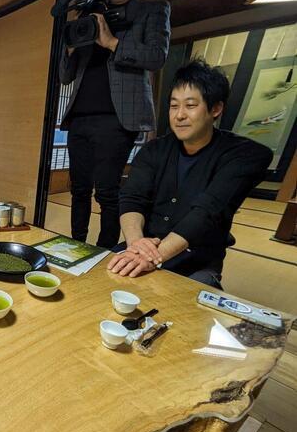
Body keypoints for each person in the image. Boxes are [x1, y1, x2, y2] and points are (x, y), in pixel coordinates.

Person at [107, 59, 272, 286]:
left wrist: (153, 257)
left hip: (197, 259)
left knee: (184, 312)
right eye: (174, 106)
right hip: (142, 247)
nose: (179, 115)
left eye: (190, 105)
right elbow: (132, 198)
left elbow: (207, 212)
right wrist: (135, 243)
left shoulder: (244, 155)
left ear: (215, 109)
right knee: (96, 280)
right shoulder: (154, 149)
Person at [58, 0, 170, 248]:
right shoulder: (91, 13)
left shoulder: (151, 11)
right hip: (80, 117)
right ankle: (76, 244)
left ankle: (104, 250)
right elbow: (65, 77)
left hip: (117, 119)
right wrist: (69, 48)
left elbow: (157, 56)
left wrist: (111, 42)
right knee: (79, 189)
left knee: (107, 191)